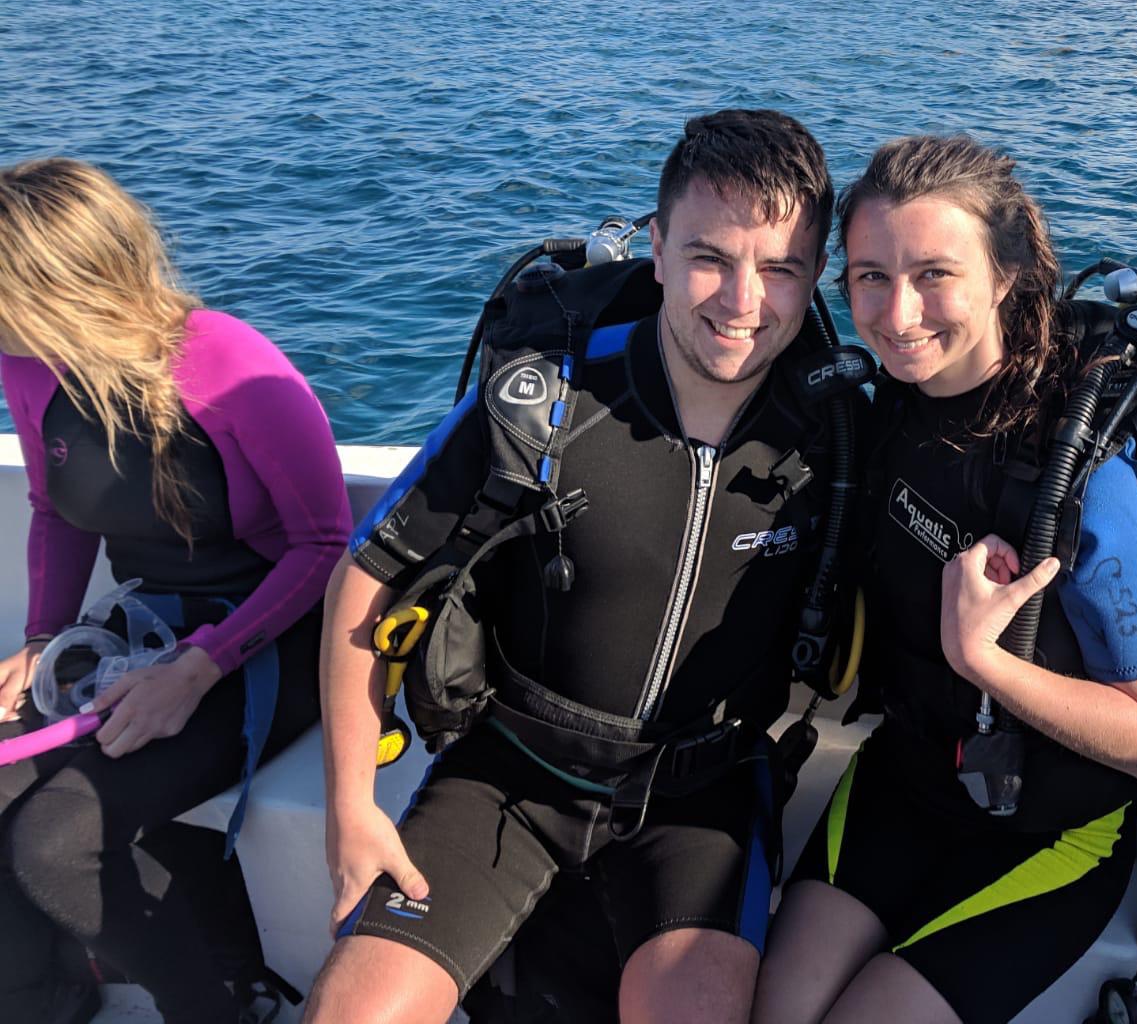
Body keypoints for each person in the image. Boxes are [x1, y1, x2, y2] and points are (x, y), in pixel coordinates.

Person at [305, 109, 847, 1024]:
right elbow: (367, 576)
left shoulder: (834, 434)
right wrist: (350, 808)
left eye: (781, 269)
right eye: (710, 257)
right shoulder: (545, 401)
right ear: (660, 248)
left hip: (700, 795)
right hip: (509, 770)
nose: (742, 301)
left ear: (815, 276)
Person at [753, 135, 1137, 1024]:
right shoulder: (889, 412)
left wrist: (984, 660)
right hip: (905, 781)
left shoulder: (1087, 478)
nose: (897, 312)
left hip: (1051, 831)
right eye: (870, 275)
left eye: (934, 274)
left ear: (1008, 276)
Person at [0, 158, 350, 1024]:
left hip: (276, 641)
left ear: (61, 286)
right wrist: (43, 640)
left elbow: (324, 546)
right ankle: (42, 1000)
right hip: (143, 631)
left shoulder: (230, 365)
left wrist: (197, 670)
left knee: (55, 844)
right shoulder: (32, 366)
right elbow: (57, 510)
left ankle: (217, 1009)